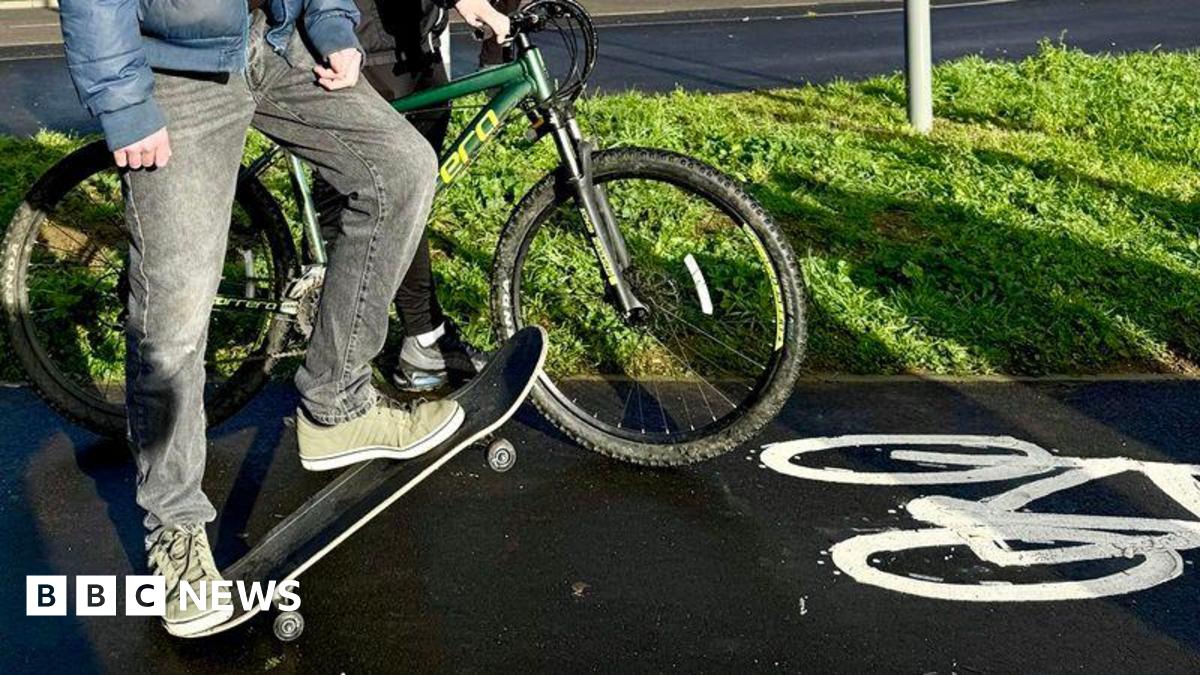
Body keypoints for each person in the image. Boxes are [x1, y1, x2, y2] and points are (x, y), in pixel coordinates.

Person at [58, 0, 509, 637]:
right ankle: (176, 533)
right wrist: (123, 102)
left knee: (400, 170)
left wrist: (329, 23)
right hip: (176, 70)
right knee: (177, 314)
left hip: (273, 38)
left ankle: (336, 403)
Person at [315, 0, 522, 392]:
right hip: (363, 51)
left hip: (417, 50)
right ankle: (340, 367)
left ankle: (422, 336)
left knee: (409, 206)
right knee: (374, 202)